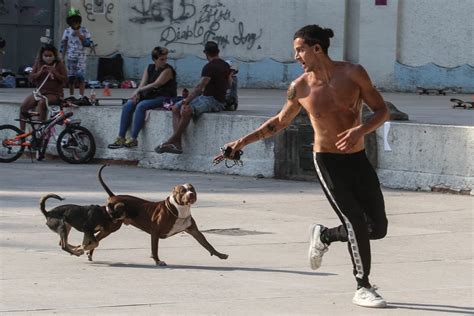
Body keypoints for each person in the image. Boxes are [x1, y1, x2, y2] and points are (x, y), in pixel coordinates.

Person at [224, 25, 390, 308]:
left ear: (317, 48)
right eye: (295, 51)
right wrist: (243, 141)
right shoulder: (299, 87)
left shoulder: (353, 73)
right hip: (327, 161)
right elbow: (279, 122)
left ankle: (324, 234)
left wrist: (360, 131)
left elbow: (382, 110)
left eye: (300, 50)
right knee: (355, 221)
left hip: (358, 159)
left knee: (378, 227)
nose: (297, 56)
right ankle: (363, 286)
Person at [154, 41, 231, 154]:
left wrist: (187, 101)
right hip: (207, 98)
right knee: (176, 107)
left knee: (186, 110)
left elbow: (199, 87)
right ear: (218, 51)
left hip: (214, 101)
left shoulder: (209, 67)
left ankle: (171, 141)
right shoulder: (226, 65)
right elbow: (229, 84)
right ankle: (177, 144)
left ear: (205, 53)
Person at [108, 47, 177, 149]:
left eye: (165, 59)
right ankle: (121, 137)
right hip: (150, 95)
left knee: (141, 106)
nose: (164, 61)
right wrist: (137, 94)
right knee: (128, 105)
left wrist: (139, 91)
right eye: (161, 59)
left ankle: (133, 139)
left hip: (164, 96)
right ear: (154, 60)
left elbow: (156, 84)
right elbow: (143, 83)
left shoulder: (168, 70)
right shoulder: (149, 68)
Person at [19, 44, 67, 131]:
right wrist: (40, 72)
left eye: (50, 56)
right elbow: (31, 78)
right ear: (42, 56)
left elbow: (64, 79)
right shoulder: (39, 63)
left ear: (54, 55)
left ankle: (41, 130)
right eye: (45, 56)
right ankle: (21, 133)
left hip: (54, 94)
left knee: (42, 103)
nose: (48, 58)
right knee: (23, 107)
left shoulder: (59, 64)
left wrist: (54, 72)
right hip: (40, 92)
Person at [60, 7, 92, 101]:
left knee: (80, 76)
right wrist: (62, 57)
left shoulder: (84, 30)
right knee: (71, 77)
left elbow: (88, 43)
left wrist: (79, 35)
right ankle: (72, 95)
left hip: (81, 56)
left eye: (76, 21)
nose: (75, 23)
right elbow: (63, 44)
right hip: (70, 56)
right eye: (73, 21)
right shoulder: (67, 31)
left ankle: (81, 96)